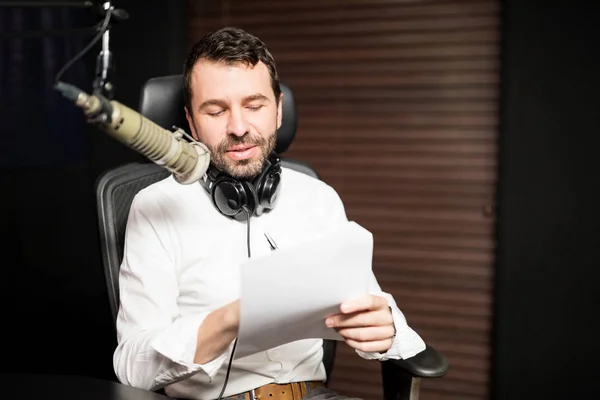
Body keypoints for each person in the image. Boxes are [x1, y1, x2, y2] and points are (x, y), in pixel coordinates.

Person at [113, 27, 426, 400]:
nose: (239, 128)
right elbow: (132, 367)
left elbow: (377, 313)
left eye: (254, 105)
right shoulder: (154, 206)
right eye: (215, 111)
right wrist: (229, 320)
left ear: (278, 110)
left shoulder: (318, 197)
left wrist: (387, 328)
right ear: (191, 122)